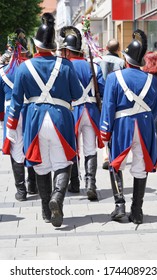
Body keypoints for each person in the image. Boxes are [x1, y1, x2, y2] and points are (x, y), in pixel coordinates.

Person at [5, 13, 83, 227]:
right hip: (61, 120)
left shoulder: (23, 67)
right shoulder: (66, 65)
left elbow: (16, 102)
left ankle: (46, 213)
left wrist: (11, 128)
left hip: (34, 120)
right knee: (63, 162)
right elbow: (76, 94)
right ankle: (57, 198)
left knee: (40, 166)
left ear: (37, 45)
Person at [100, 29, 157, 224]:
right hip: (144, 125)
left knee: (116, 163)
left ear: (126, 59)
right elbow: (156, 108)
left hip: (122, 125)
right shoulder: (153, 80)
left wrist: (105, 130)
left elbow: (108, 106)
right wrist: (144, 119)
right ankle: (137, 211)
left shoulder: (114, 78)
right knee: (141, 166)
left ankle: (120, 206)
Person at [59, 26, 105, 200]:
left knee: (72, 148)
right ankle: (90, 183)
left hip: (73, 112)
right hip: (91, 112)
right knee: (90, 148)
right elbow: (102, 89)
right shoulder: (94, 66)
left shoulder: (65, 67)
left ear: (68, 50)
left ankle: (75, 183)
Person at [0, 30, 37, 201]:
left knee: (16, 149)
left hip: (11, 113)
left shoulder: (2, 72)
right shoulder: (30, 69)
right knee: (30, 145)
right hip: (28, 110)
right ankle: (33, 184)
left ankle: (21, 191)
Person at [94, 39, 125, 169]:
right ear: (118, 49)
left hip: (101, 98)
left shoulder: (97, 61)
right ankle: (113, 152)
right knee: (115, 126)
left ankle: (105, 154)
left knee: (104, 125)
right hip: (117, 99)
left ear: (106, 47)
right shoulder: (122, 62)